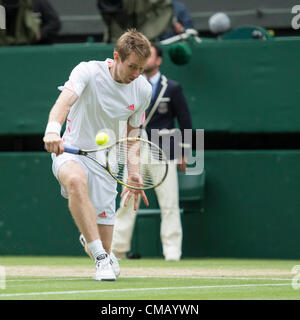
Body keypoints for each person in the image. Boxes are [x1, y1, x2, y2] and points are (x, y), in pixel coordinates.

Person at [43, 29, 152, 281]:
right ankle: (100, 257)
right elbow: (64, 102)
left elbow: (133, 133)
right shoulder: (88, 71)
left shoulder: (142, 89)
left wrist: (133, 172)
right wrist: (52, 131)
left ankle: (94, 240)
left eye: (141, 69)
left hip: (107, 161)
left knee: (105, 243)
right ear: (116, 57)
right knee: (75, 182)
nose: (136, 74)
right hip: (71, 150)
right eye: (132, 67)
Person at [111, 43, 192, 261]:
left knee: (169, 203)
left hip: (164, 150)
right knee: (127, 201)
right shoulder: (130, 85)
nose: (144, 62)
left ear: (158, 61)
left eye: (150, 57)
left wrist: (185, 153)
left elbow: (185, 122)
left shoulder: (173, 88)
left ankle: (172, 253)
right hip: (134, 149)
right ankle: (116, 250)